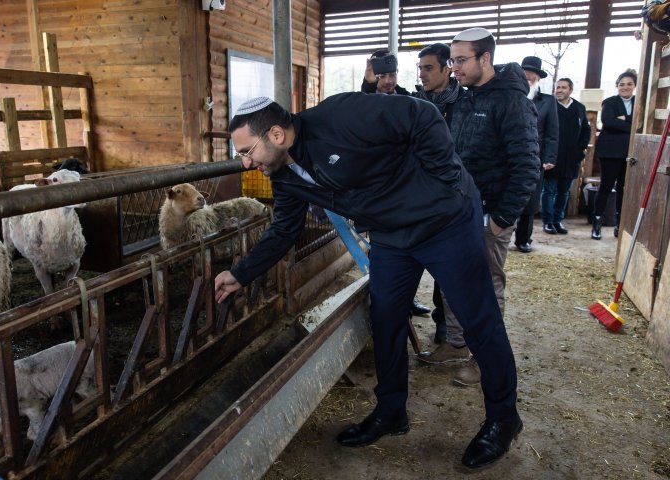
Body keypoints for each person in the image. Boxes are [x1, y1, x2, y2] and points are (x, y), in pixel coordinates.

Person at [216, 93, 522, 469]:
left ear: (275, 134)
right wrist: (239, 274)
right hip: (391, 235)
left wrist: (443, 179)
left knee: (478, 319)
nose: (246, 163)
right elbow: (283, 231)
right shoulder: (284, 175)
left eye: (247, 151)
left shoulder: (340, 116)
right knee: (386, 318)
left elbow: (421, 115)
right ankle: (391, 410)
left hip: (443, 224)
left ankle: (503, 419)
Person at [417, 28, 540, 395]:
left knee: (486, 287)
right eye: (452, 60)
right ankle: (457, 345)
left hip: (489, 213)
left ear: (484, 58)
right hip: (459, 211)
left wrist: (501, 218)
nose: (454, 67)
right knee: (454, 281)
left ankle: (484, 359)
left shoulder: (512, 102)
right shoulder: (468, 97)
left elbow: (527, 166)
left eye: (460, 59)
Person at [358, 47, 430, 317]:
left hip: (408, 184)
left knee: (412, 248)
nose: (387, 81)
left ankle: (408, 299)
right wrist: (367, 83)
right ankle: (388, 303)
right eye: (382, 75)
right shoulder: (365, 99)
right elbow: (360, 112)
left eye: (391, 74)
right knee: (383, 247)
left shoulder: (408, 98)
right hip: (379, 185)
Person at [411, 42, 466, 343]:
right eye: (420, 68)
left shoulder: (464, 104)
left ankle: (443, 321)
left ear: (448, 68)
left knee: (446, 262)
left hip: (451, 196)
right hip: (418, 195)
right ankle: (405, 306)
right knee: (412, 255)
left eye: (429, 67)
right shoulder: (415, 102)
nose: (422, 74)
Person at [513, 56, 559, 252]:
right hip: (509, 155)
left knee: (530, 199)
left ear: (538, 79)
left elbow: (552, 132)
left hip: (534, 157)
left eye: (531, 77)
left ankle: (523, 239)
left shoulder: (548, 101)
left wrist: (550, 157)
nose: (527, 80)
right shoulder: (510, 98)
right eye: (524, 76)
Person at [592, 69, 637, 240]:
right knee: (605, 186)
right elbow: (608, 122)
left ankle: (620, 223)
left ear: (634, 86)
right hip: (610, 151)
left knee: (623, 189)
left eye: (629, 84)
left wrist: (624, 118)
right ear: (617, 86)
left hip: (629, 151)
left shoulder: (639, 102)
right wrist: (630, 121)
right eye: (622, 84)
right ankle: (597, 222)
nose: (625, 87)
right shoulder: (609, 102)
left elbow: (640, 123)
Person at [543, 78, 591, 233]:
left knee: (564, 192)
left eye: (563, 87)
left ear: (570, 90)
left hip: (571, 159)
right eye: (557, 87)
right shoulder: (550, 106)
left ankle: (558, 221)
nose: (559, 90)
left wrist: (579, 151)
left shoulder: (579, 108)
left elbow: (586, 131)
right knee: (549, 191)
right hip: (553, 157)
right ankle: (547, 222)